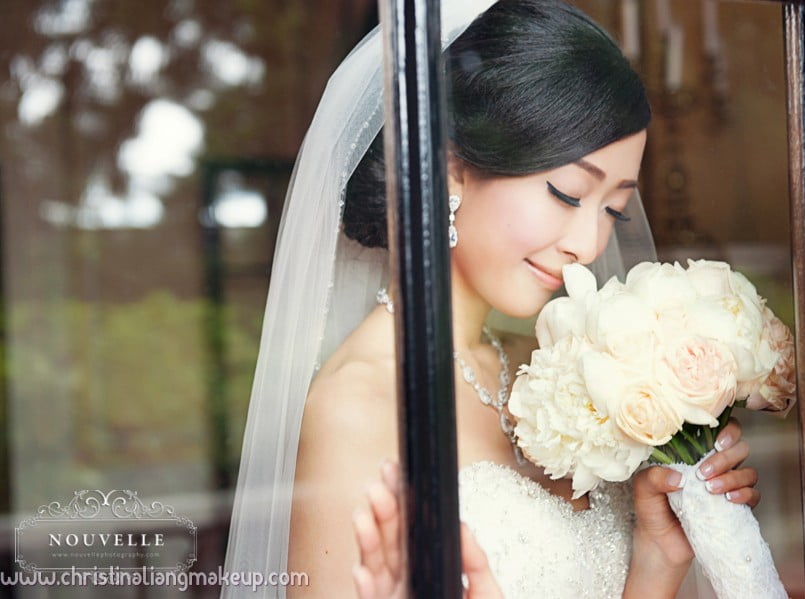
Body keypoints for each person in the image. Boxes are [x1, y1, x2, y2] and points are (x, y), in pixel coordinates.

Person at [221, 2, 761, 598]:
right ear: (452, 168)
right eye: (566, 193)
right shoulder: (355, 409)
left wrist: (657, 558)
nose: (588, 245)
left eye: (613, 210)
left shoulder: (554, 370)